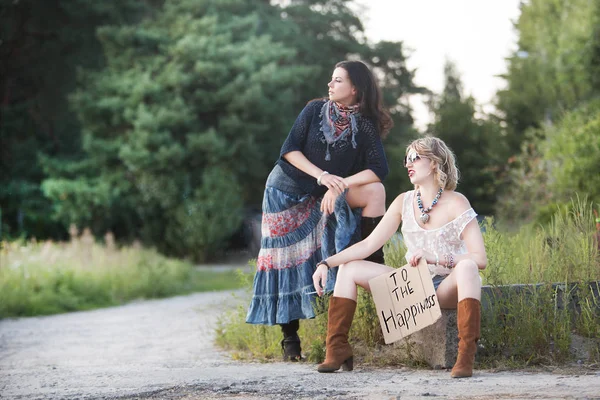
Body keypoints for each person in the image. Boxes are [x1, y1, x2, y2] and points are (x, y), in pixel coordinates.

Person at [246, 60, 393, 362]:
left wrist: (338, 186)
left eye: (338, 80)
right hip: (285, 191)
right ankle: (290, 340)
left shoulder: (364, 125)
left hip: (322, 195)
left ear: (355, 89)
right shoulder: (314, 110)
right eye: (331, 79)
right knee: (286, 261)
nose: (330, 85)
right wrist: (323, 177)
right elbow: (289, 149)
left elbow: (379, 169)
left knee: (373, 193)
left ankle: (372, 263)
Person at [312, 136, 487, 378]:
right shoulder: (403, 201)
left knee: (468, 267)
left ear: (434, 163)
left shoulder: (456, 202)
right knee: (349, 268)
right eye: (407, 159)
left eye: (415, 158)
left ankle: (465, 356)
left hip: (445, 287)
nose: (408, 164)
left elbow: (480, 259)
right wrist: (325, 263)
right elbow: (368, 244)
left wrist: (434, 257)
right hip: (414, 287)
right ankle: (337, 348)